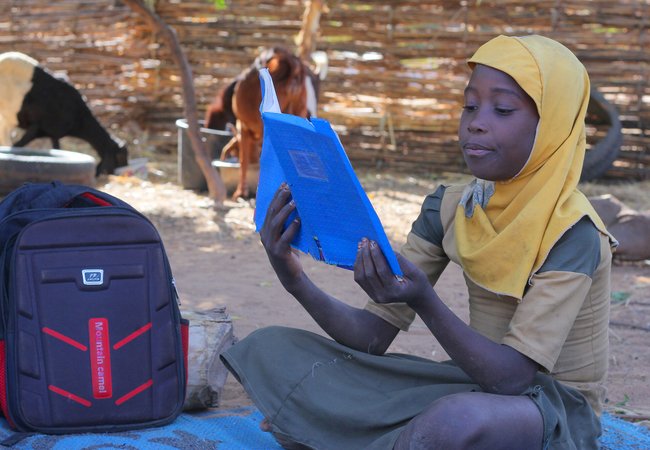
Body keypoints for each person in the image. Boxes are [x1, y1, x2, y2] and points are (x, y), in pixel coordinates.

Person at [221, 34, 618, 450]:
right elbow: (370, 337)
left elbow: (513, 377)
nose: (476, 122)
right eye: (469, 105)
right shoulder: (450, 207)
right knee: (272, 348)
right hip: (472, 382)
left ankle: (356, 435)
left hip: (552, 410)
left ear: (551, 125)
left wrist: (424, 300)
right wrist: (293, 278)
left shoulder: (575, 232)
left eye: (501, 109)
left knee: (454, 420)